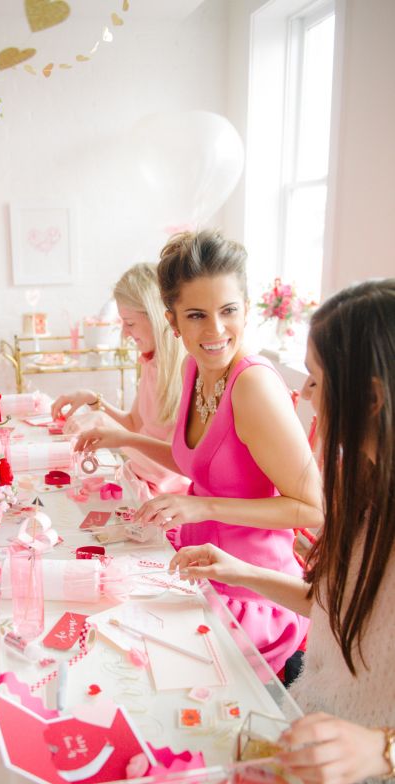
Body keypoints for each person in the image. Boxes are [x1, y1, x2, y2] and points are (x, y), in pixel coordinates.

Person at [169, 279, 395, 784]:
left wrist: (380, 750)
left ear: (369, 398)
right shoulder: (366, 489)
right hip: (313, 743)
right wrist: (240, 572)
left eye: (316, 380)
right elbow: (338, 609)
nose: (306, 396)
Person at [76, 231, 323, 673]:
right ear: (173, 322)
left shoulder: (253, 386)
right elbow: (202, 466)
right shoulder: (196, 367)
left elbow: (311, 509)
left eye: (228, 311)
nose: (214, 331)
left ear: (246, 310)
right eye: (196, 315)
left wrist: (200, 505)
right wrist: (126, 437)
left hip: (250, 596)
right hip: (200, 568)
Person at [51, 263, 189, 497]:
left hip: (167, 498)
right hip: (139, 482)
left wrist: (104, 423)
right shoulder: (150, 361)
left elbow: (166, 470)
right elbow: (135, 424)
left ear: (157, 317)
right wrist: (95, 402)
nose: (125, 333)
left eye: (130, 323)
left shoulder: (186, 374)